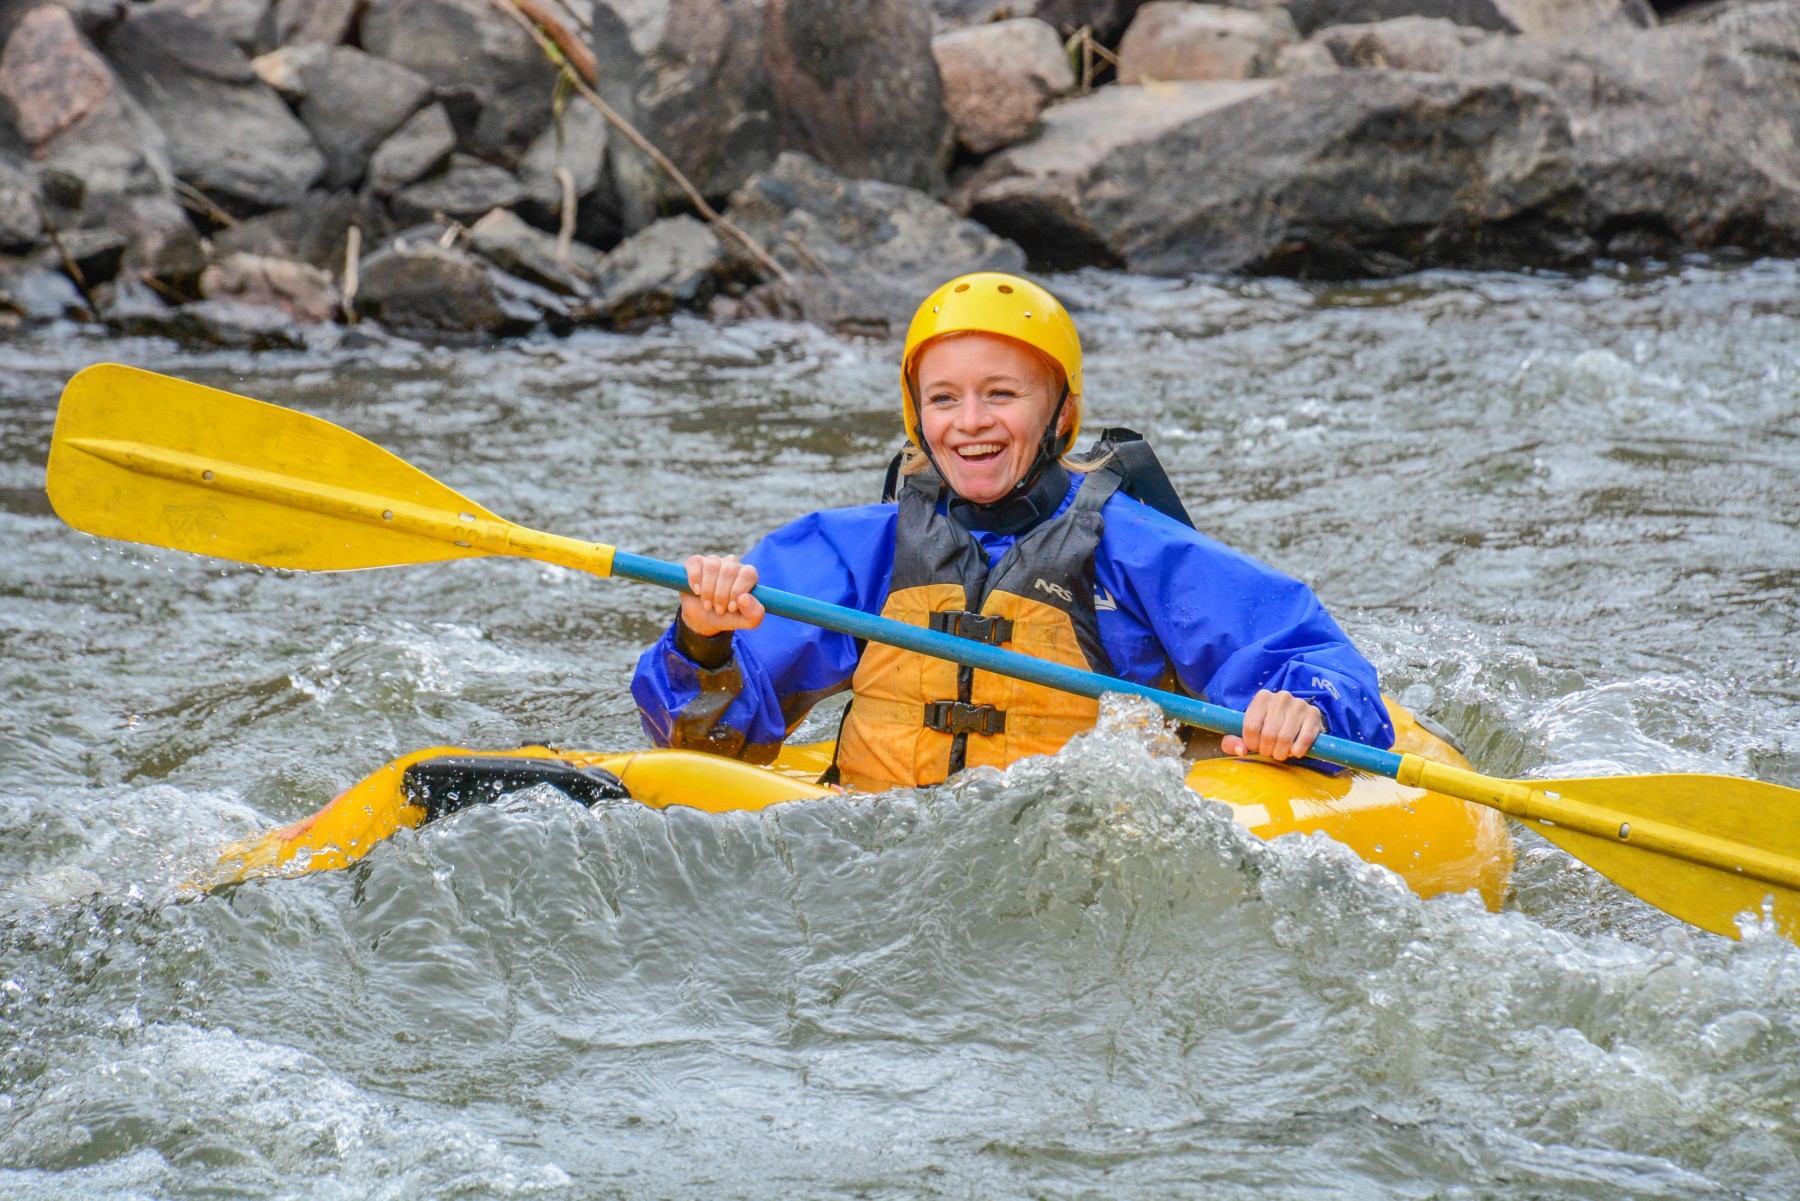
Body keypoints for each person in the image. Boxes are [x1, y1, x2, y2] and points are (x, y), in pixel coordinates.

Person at [632, 272, 1393, 791]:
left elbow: (1314, 655)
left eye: (1002, 394)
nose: (969, 423)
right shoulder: (853, 551)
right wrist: (703, 639)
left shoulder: (1135, 549)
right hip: (880, 845)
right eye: (944, 398)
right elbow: (708, 745)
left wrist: (1305, 705)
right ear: (916, 417)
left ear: (1060, 413)